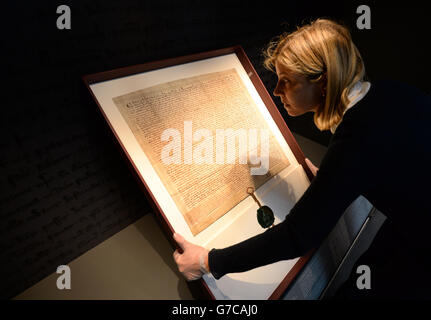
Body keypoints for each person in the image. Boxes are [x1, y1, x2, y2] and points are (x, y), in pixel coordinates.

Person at [172, 18, 431, 299]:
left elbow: (297, 236)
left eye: (288, 82)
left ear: (323, 82)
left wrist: (209, 261)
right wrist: (335, 181)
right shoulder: (389, 91)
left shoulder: (357, 137)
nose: (277, 91)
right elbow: (397, 164)